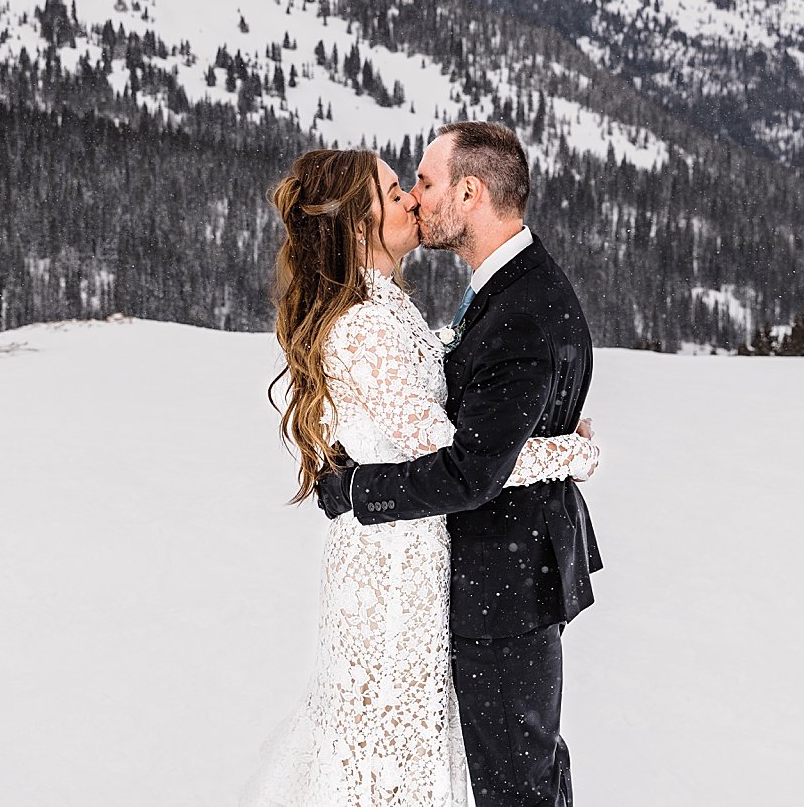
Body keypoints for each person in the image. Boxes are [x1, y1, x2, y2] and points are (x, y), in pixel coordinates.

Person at [244, 145, 599, 807]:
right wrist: (567, 453)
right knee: (388, 758)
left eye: (412, 183)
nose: (410, 196)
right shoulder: (367, 326)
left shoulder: (390, 308)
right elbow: (459, 459)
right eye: (394, 188)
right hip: (394, 571)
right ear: (357, 224)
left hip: (420, 555)